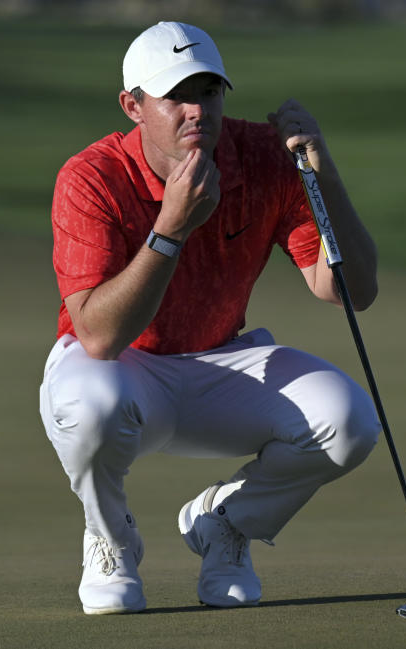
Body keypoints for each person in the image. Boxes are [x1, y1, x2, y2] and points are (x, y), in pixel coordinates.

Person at [39, 21, 381, 615]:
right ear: (134, 105)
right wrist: (171, 229)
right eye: (176, 96)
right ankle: (110, 538)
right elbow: (97, 334)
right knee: (88, 404)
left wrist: (321, 171)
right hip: (121, 368)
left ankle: (225, 524)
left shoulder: (265, 159)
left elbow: (349, 289)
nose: (196, 110)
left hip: (222, 363)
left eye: (209, 92)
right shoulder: (91, 177)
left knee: (347, 419)